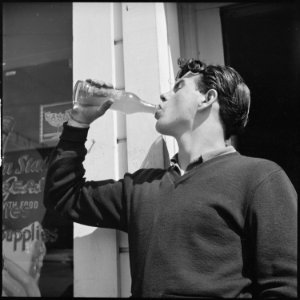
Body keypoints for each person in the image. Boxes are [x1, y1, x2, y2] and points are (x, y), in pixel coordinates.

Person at [43, 58, 297, 298]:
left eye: (178, 88)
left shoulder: (260, 178)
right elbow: (63, 196)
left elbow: (286, 287)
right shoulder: (141, 187)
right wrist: (78, 123)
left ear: (207, 99)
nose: (164, 95)